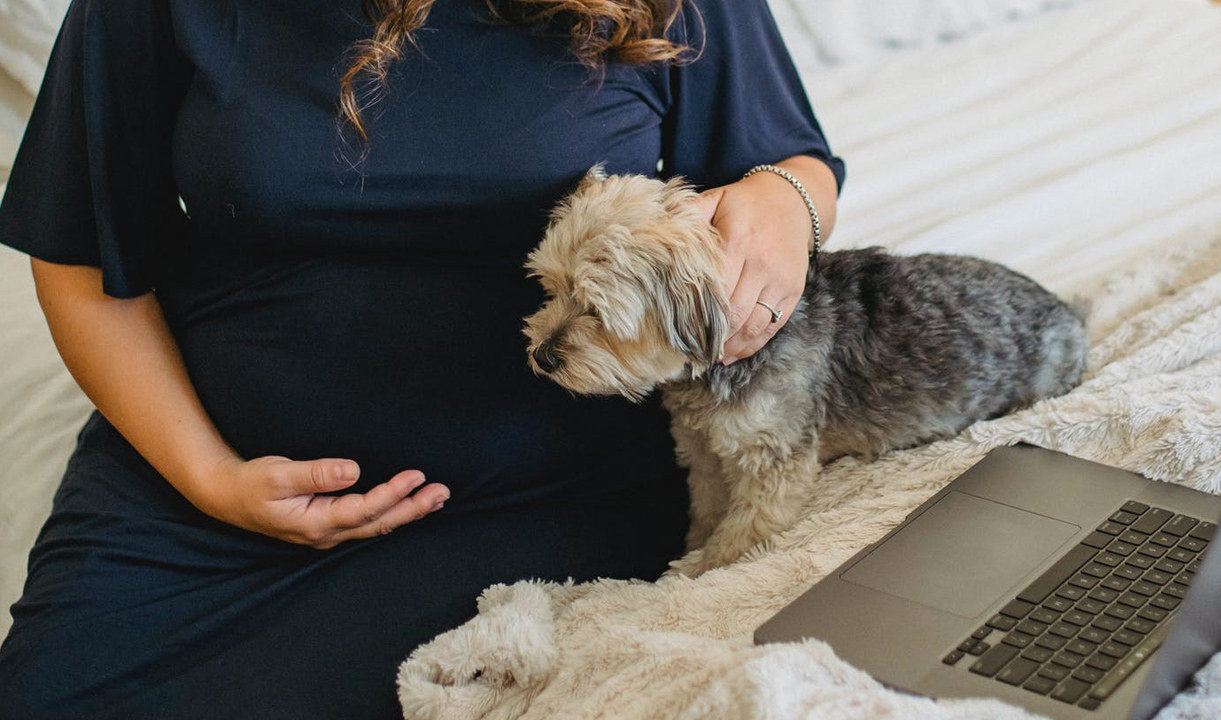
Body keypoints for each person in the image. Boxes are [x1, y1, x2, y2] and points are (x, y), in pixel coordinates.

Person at [0, 0, 843, 717]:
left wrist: (786, 200)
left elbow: (791, 168)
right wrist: (211, 479)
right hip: (194, 502)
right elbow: (79, 260)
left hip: (552, 497)